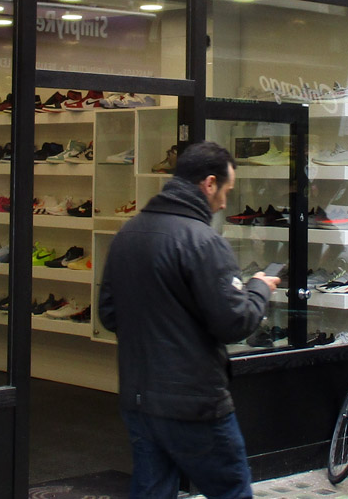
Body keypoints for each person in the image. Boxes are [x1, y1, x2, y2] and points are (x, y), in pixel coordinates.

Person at [98, 140, 279, 499]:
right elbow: (235, 322)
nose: (226, 202)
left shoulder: (128, 234)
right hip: (194, 401)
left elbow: (109, 313)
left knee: (152, 491)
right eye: (226, 190)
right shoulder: (204, 242)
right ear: (208, 184)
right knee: (231, 491)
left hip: (139, 396)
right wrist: (259, 289)